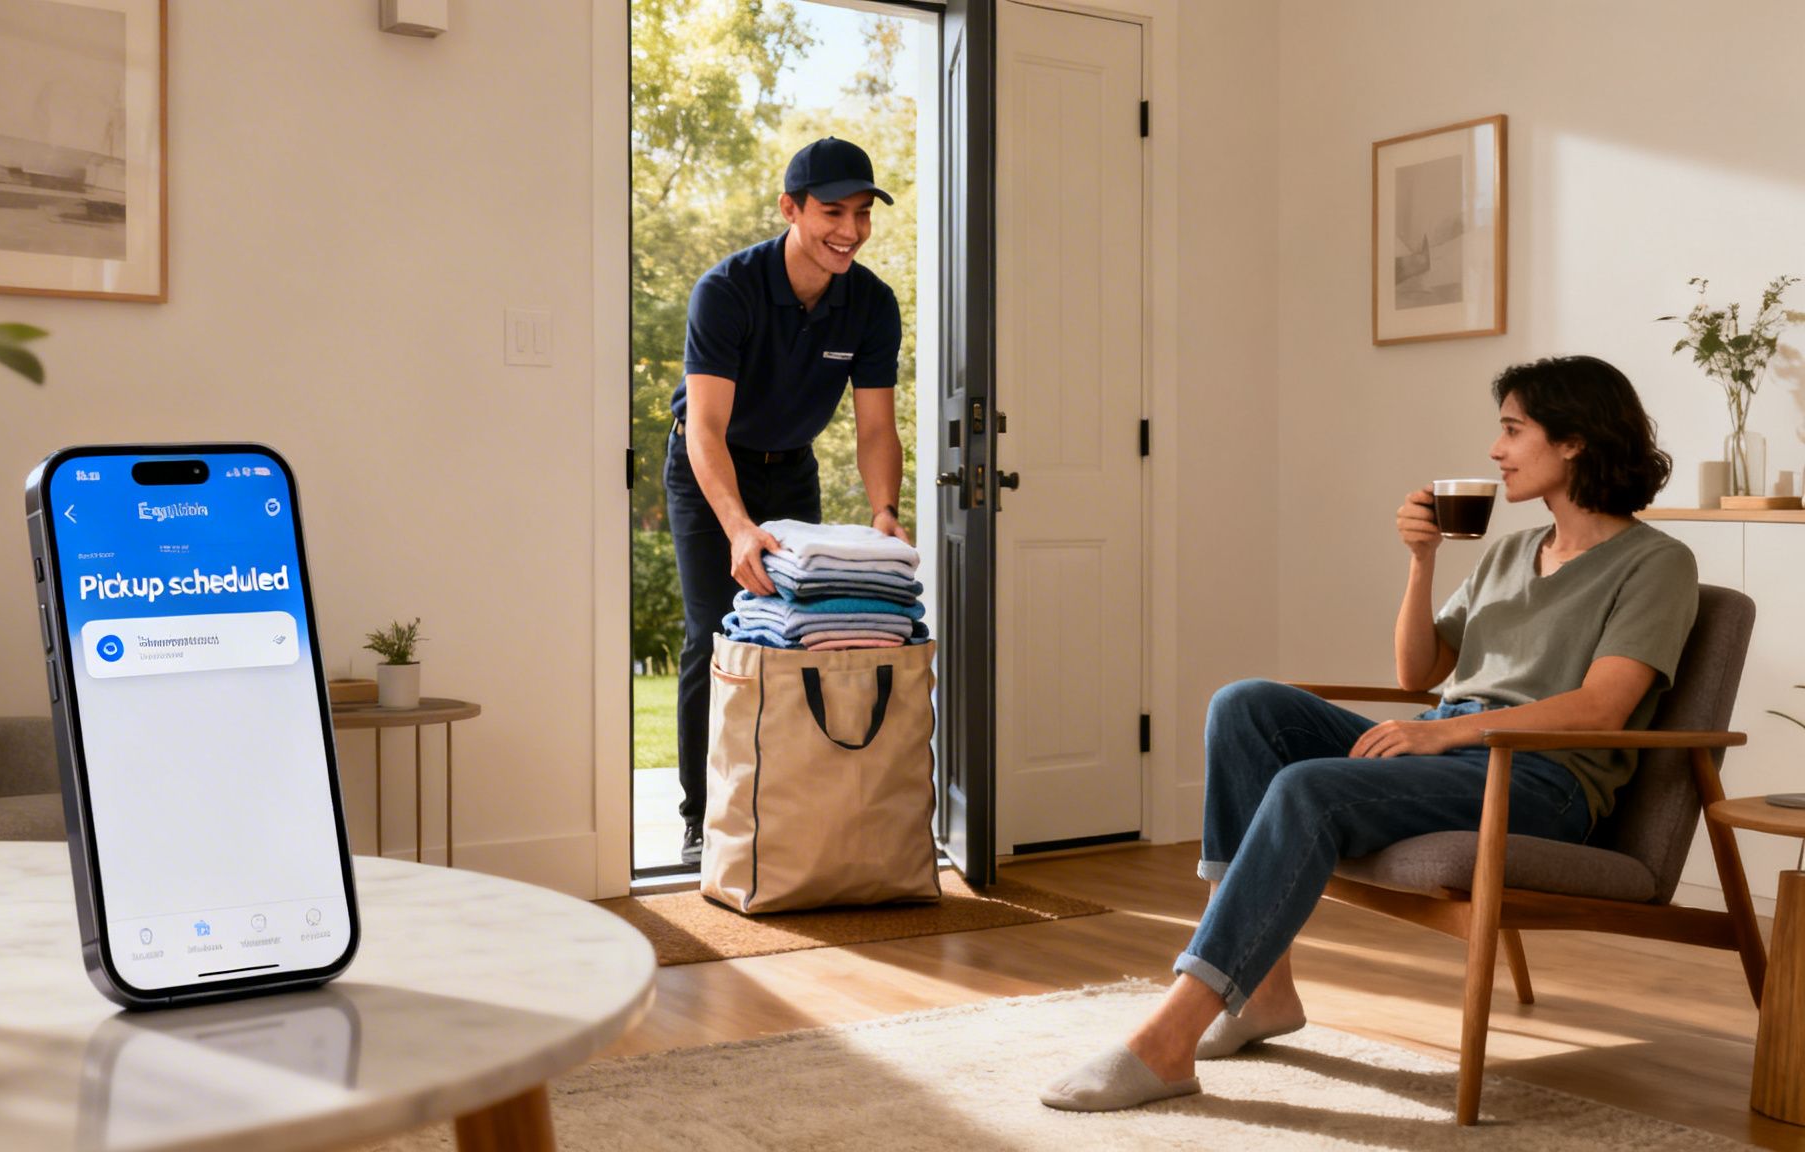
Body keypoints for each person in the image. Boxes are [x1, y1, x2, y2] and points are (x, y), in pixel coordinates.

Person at [1041, 355, 1697, 1111]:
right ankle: (1264, 994)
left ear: (1575, 440)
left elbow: (1601, 708)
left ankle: (1168, 1039)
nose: (1495, 450)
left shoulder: (1656, 564)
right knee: (1248, 705)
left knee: (1310, 789)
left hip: (1545, 781)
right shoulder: (1515, 551)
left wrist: (1447, 737)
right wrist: (1422, 562)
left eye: (1513, 430)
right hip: (1457, 751)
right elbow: (1420, 671)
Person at [666, 136, 910, 865]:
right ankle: (700, 815)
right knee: (716, 634)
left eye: (863, 213)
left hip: (790, 469)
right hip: (710, 466)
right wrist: (738, 527)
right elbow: (706, 426)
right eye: (833, 211)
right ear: (790, 209)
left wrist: (884, 515)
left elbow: (876, 429)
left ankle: (784, 801)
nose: (851, 230)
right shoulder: (728, 290)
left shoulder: (869, 303)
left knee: (797, 635)